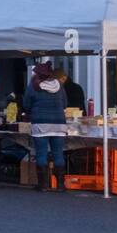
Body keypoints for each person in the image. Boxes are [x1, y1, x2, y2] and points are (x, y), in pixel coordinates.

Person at [24, 62, 68, 192]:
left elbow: (27, 104)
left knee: (41, 153)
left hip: (40, 123)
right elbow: (65, 104)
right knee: (58, 153)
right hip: (59, 123)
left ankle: (43, 185)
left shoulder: (33, 86)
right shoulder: (59, 85)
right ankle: (60, 185)